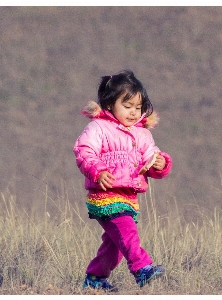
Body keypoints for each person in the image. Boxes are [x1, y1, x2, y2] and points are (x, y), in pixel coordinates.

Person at [73, 69, 172, 291]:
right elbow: (84, 152)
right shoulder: (98, 127)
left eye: (138, 108)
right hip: (104, 196)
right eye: (127, 107)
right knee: (127, 234)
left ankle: (94, 279)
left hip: (129, 198)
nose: (134, 113)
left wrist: (161, 164)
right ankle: (142, 268)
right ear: (109, 105)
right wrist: (97, 171)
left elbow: (151, 158)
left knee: (114, 246)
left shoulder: (142, 135)